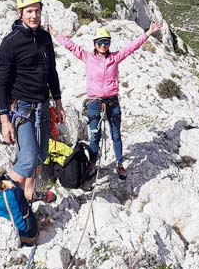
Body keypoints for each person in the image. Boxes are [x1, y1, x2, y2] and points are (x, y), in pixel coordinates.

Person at [49, 21, 162, 180]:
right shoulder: (88, 57)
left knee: (116, 135)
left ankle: (119, 164)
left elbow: (131, 47)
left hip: (112, 102)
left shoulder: (114, 58)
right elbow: (72, 47)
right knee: (94, 137)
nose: (103, 45)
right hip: (94, 104)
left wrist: (148, 33)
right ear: (95, 44)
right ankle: (91, 166)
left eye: (106, 42)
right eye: (100, 42)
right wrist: (55, 34)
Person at [0, 0, 66, 204]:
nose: (33, 15)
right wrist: (5, 120)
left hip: (43, 105)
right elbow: (2, 83)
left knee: (40, 156)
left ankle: (29, 194)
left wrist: (58, 102)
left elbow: (51, 72)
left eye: (36, 10)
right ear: (20, 13)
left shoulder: (45, 38)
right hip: (22, 107)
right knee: (27, 157)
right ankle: (0, 196)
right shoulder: (11, 42)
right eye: (29, 11)